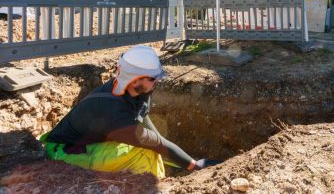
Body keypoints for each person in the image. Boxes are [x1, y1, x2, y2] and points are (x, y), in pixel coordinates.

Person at [40, 45, 208, 178]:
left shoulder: (139, 89)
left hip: (94, 141)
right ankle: (152, 187)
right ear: (135, 80)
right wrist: (194, 165)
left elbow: (149, 127)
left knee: (153, 148)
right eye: (152, 78)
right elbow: (153, 142)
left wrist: (168, 152)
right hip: (64, 152)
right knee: (145, 152)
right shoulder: (112, 112)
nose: (157, 80)